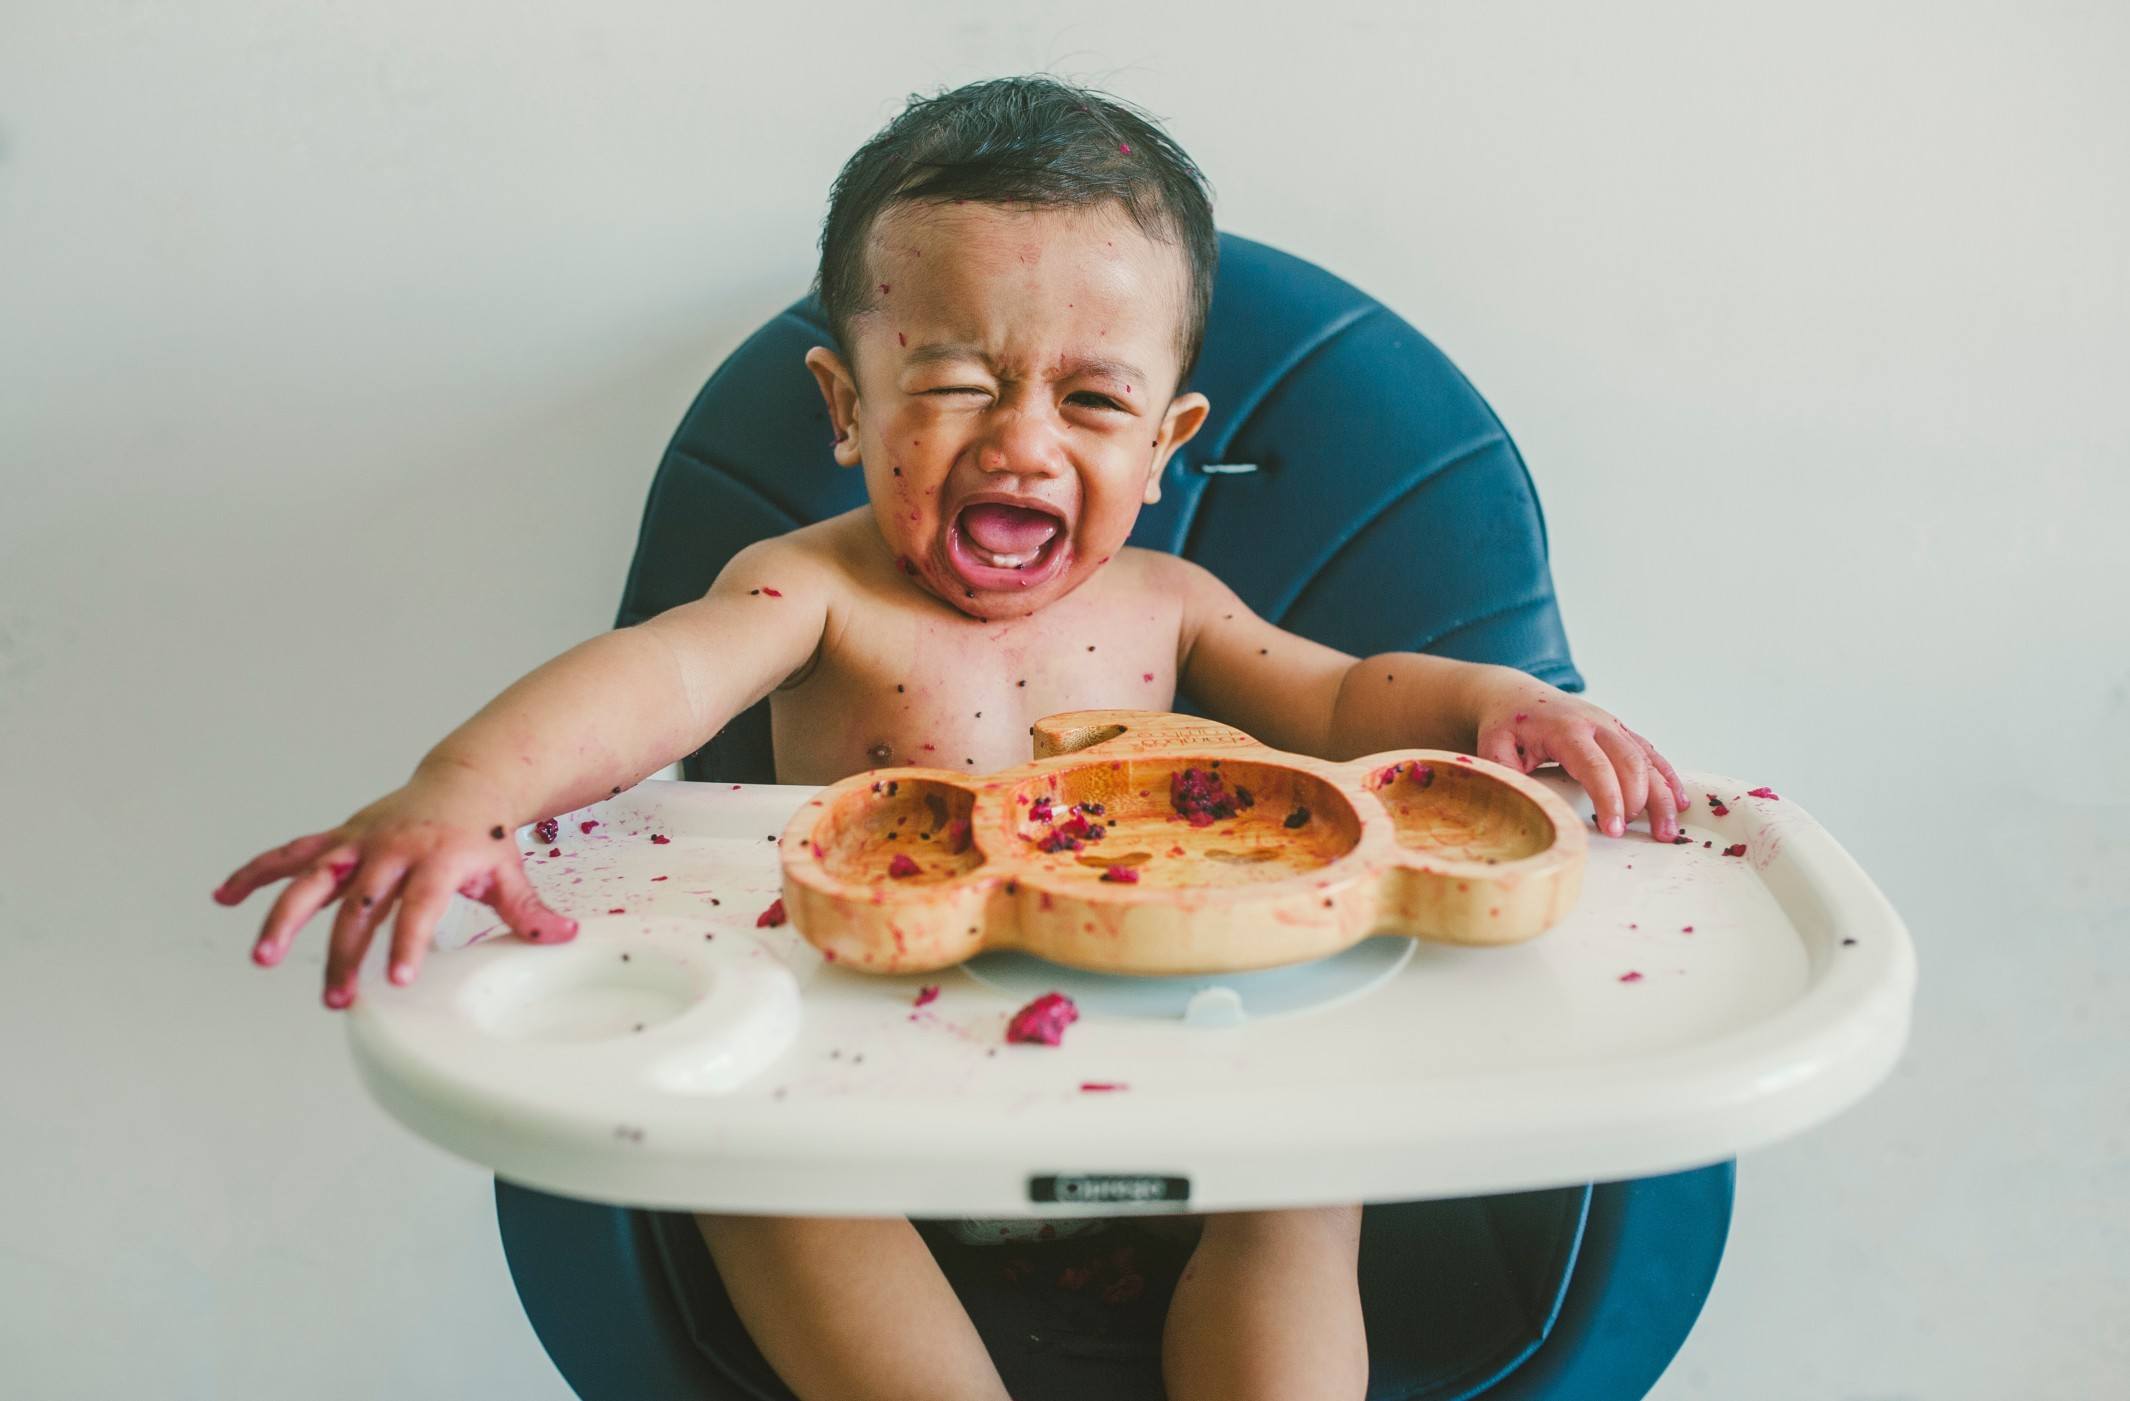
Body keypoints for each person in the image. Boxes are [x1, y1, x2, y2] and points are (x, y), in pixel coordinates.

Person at [213, 74, 1688, 1401]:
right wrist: (462, 792)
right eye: (957, 382)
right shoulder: (814, 592)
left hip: (1180, 1077)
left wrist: (1498, 704)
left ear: (1168, 445)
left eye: (1090, 398)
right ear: (843, 407)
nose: (1022, 441)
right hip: (869, 1105)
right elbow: (651, 686)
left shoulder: (1171, 603)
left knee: (1307, 1177)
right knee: (761, 1181)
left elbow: (1347, 697)